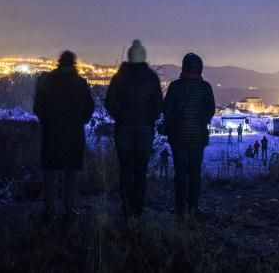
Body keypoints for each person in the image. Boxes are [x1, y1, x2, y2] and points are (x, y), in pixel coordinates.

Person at [104, 39, 163, 219]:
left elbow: (109, 103)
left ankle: (126, 206)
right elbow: (159, 105)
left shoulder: (119, 77)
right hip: (145, 129)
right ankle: (137, 208)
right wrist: (149, 119)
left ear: (129, 58)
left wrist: (120, 117)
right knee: (140, 169)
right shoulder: (152, 78)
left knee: (125, 168)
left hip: (124, 129)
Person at [34, 50, 95, 221]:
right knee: (71, 173)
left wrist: (46, 121)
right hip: (73, 134)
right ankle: (70, 208)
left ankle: (49, 208)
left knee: (51, 172)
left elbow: (38, 107)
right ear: (74, 64)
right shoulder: (81, 83)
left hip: (52, 133)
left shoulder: (46, 82)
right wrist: (80, 121)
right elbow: (90, 107)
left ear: (59, 63)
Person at [162, 52, 215, 217]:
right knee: (194, 173)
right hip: (198, 137)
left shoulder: (175, 86)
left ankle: (179, 208)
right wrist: (200, 122)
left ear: (184, 66)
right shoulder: (205, 87)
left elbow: (167, 111)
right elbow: (210, 111)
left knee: (180, 174)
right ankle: (193, 207)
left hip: (178, 137)